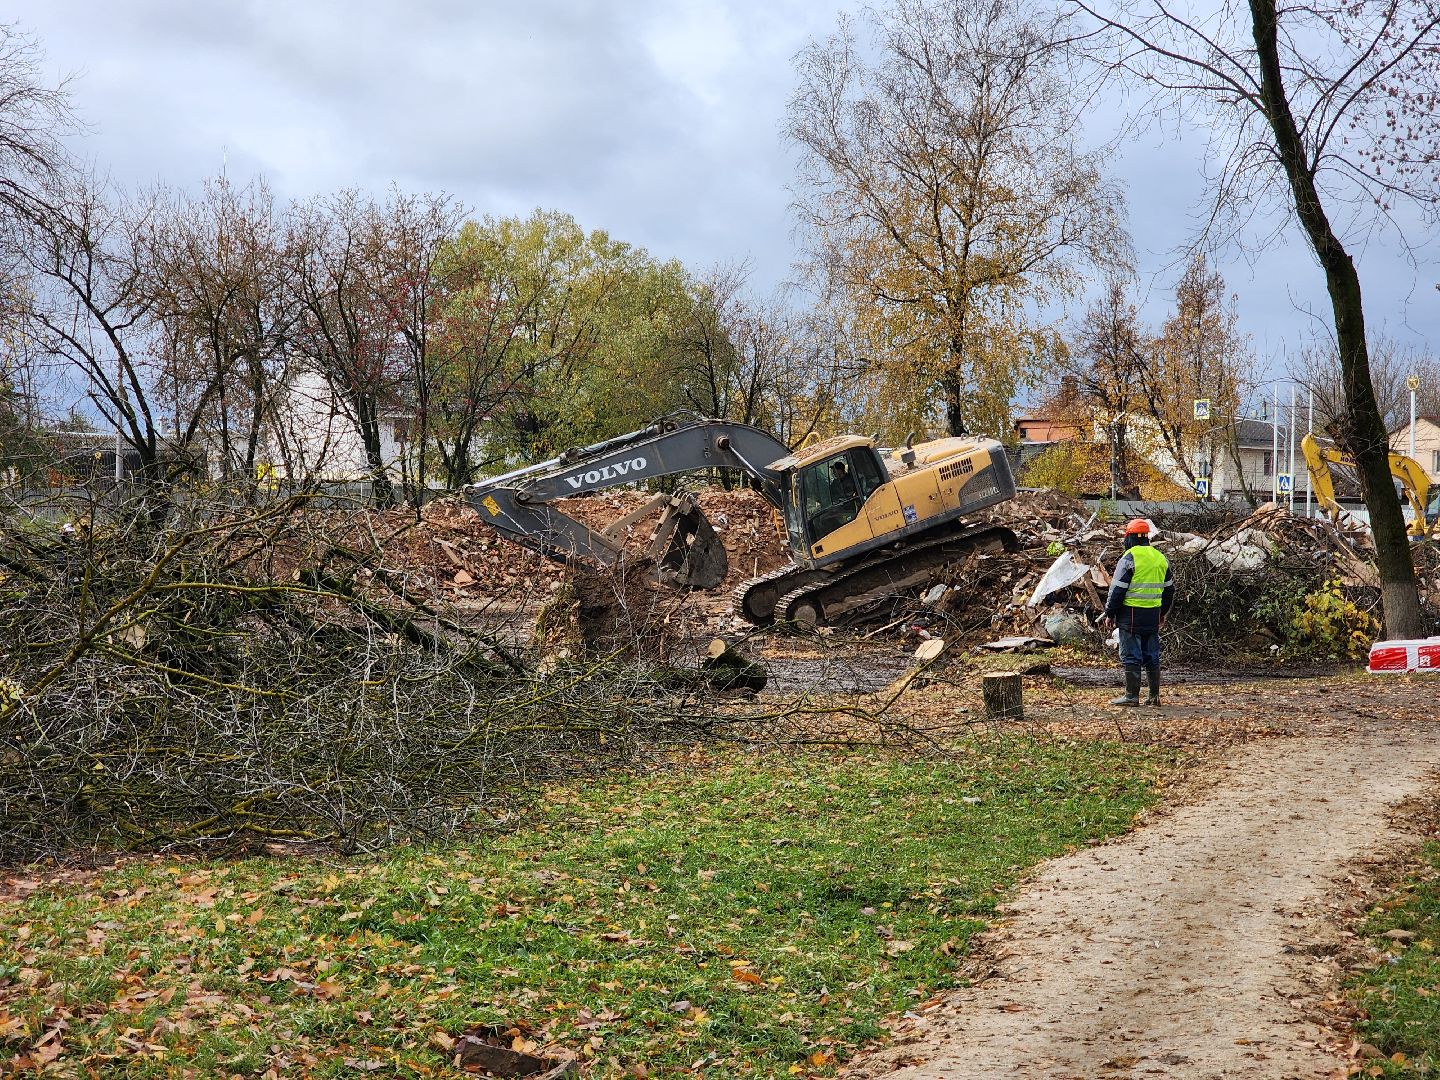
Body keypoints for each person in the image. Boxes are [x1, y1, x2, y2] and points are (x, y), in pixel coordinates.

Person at [1102, 518, 1173, 707]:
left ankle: (1131, 696)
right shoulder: (1160, 557)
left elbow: (1117, 590)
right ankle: (1154, 696)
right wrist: (1162, 613)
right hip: (1153, 614)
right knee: (1151, 655)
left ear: (1129, 537)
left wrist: (1110, 613)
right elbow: (1169, 590)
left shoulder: (1129, 558)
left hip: (1130, 614)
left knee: (1131, 655)